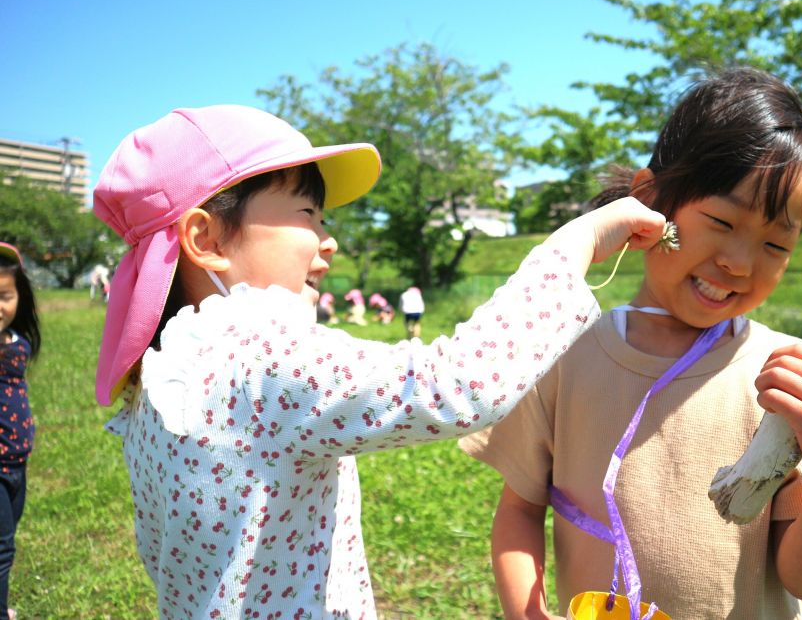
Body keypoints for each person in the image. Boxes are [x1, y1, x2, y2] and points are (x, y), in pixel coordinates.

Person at [91, 104, 669, 619]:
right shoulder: (262, 356)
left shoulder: (163, 376)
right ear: (207, 238)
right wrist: (580, 241)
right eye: (307, 213)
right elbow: (456, 383)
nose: (328, 239)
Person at [460, 68, 802, 619]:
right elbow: (520, 510)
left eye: (775, 243)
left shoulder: (783, 379)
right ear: (650, 201)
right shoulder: (566, 354)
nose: (739, 263)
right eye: (723, 221)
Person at [0, 242, 40, 620]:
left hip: (17, 462)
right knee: (2, 549)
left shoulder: (18, 343)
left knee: (7, 541)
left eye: (5, 296)